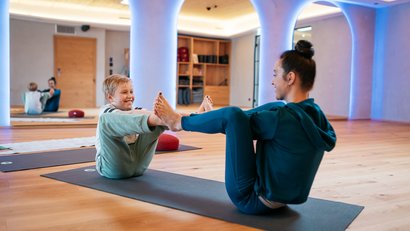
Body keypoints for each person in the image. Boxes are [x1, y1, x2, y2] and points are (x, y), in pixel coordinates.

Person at [154, 40, 337, 214]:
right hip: (283, 198)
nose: (272, 81)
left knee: (231, 114)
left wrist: (202, 119)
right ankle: (205, 116)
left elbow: (234, 122)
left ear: (290, 78)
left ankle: (177, 122)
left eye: (275, 74)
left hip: (253, 199)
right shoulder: (315, 113)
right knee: (274, 108)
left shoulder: (281, 119)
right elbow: (247, 122)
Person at [95, 74, 213, 179]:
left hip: (138, 165)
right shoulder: (107, 111)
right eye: (124, 92)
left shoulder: (136, 111)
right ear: (110, 97)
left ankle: (197, 116)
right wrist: (161, 117)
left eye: (131, 91)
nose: (130, 96)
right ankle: (174, 120)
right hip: (113, 168)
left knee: (157, 118)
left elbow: (145, 115)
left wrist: (188, 116)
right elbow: (131, 116)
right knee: (107, 120)